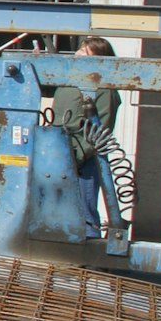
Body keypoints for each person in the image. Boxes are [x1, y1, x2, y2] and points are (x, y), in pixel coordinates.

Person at [70, 35, 120, 238]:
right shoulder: (67, 81)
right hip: (61, 153)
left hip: (85, 161)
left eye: (85, 52)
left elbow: (101, 130)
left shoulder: (104, 91)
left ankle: (89, 254)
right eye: (80, 50)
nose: (79, 54)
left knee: (85, 211)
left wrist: (79, 156)